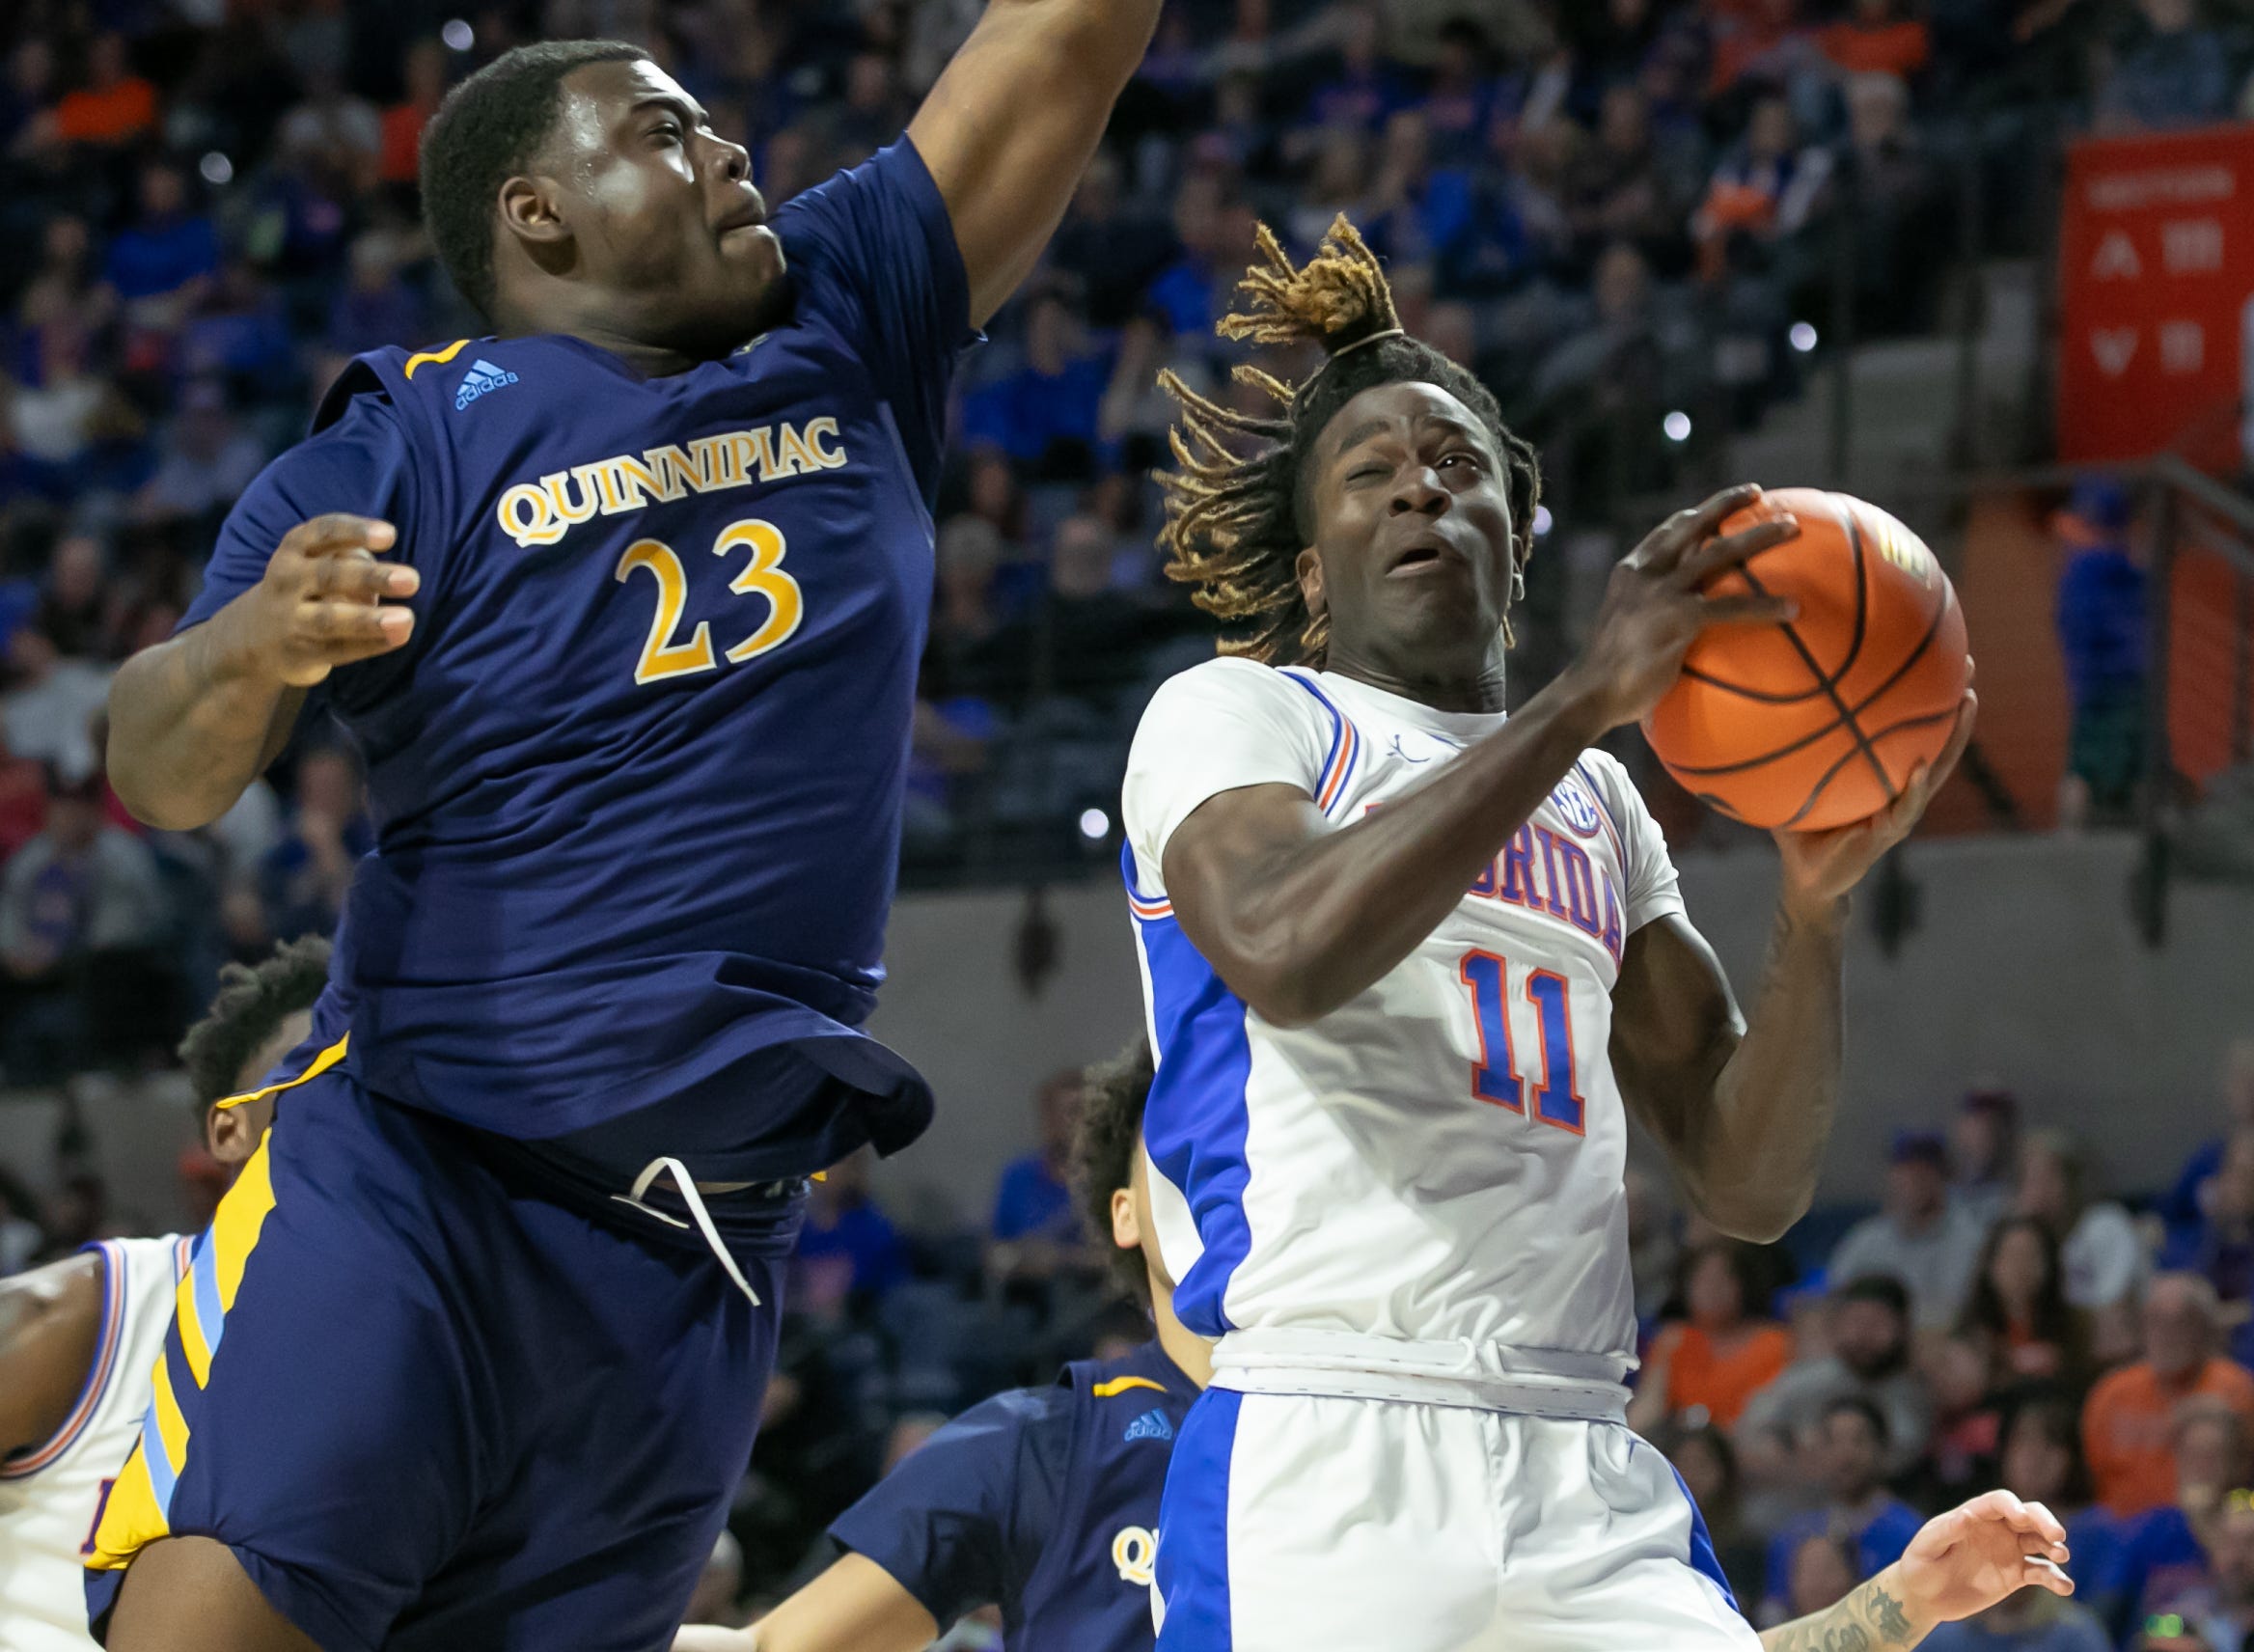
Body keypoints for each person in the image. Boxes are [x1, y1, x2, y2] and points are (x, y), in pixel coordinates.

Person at [87, 13, 1165, 1649]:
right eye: (666, 132)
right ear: (539, 212)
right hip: (428, 1177)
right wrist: (251, 646)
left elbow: (1070, 46)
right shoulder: (413, 436)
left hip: (700, 1251)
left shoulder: (849, 308)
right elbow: (154, 766)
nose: (731, 150)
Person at [1117, 216, 1984, 1651]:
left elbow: (1747, 1183)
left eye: (1456, 469)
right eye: (1372, 475)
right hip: (1329, 1446)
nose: (1419, 494)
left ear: (1519, 545)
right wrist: (1582, 697)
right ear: (1315, 566)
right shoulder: (1242, 718)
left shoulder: (1600, 804)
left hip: (1582, 1457)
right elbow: (1281, 948)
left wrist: (1815, 916)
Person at [0, 938, 328, 1652]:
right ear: (230, 1127)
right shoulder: (88, 1314)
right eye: (322, 1072)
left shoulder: (459, 1373)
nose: (354, 1106)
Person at [2085, 1276, 2254, 1517]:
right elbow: (2094, 1477)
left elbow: (2246, 1490)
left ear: (2205, 1329)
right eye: (2156, 1322)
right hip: (2121, 1532)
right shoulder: (2111, 1393)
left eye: (2181, 1323)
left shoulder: (2235, 1389)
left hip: (2205, 1533)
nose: (2166, 1335)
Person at [1742, 1273, 1936, 1482]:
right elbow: (1752, 1429)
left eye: (1879, 1322)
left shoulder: (1915, 1397)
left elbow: (1898, 1460)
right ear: (1836, 1325)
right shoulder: (1806, 1379)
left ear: (1903, 1330)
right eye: (1856, 1321)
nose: (1865, 1334)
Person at [1762, 1398, 1927, 1624]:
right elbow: (1773, 1616)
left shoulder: (1911, 1534)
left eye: (1858, 1441)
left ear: (1883, 1449)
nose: (1845, 1455)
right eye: (1832, 1442)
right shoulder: (1793, 1536)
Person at [1829, 1131, 1991, 1333]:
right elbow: (1834, 1301)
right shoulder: (1866, 1239)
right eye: (1905, 1171)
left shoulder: (1971, 1239)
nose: (1913, 1181)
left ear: (1943, 1176)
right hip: (1877, 1353)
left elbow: (1974, 1311)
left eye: (1923, 1172)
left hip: (1949, 1346)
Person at [1630, 1239, 1795, 1434]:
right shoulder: (1674, 1339)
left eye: (1722, 1280)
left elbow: (1777, 1414)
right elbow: (1648, 1408)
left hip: (1751, 1445)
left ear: (1743, 1285)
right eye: (1701, 1280)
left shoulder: (1775, 1342)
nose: (1711, 1290)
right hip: (1685, 1445)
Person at [1958, 1216, 2092, 1397]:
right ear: (1990, 1265)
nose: (2021, 1267)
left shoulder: (2073, 1325)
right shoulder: (1971, 1327)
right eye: (2012, 1256)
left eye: (2031, 1256)